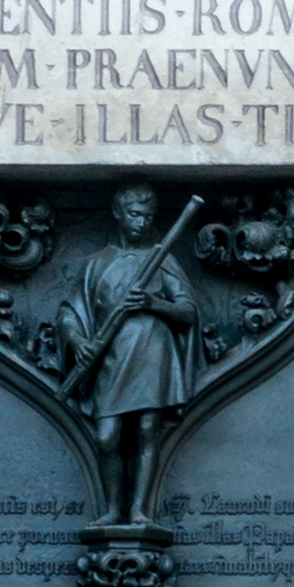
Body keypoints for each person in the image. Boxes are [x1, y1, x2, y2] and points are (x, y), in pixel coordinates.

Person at [56, 188, 206, 501]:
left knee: (147, 431)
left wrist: (154, 303)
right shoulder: (97, 264)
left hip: (152, 352)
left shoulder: (161, 259)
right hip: (111, 356)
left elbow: (187, 312)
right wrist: (78, 341)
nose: (140, 223)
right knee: (107, 437)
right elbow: (70, 312)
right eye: (134, 215)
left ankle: (139, 510)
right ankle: (112, 508)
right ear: (118, 213)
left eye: (147, 217)